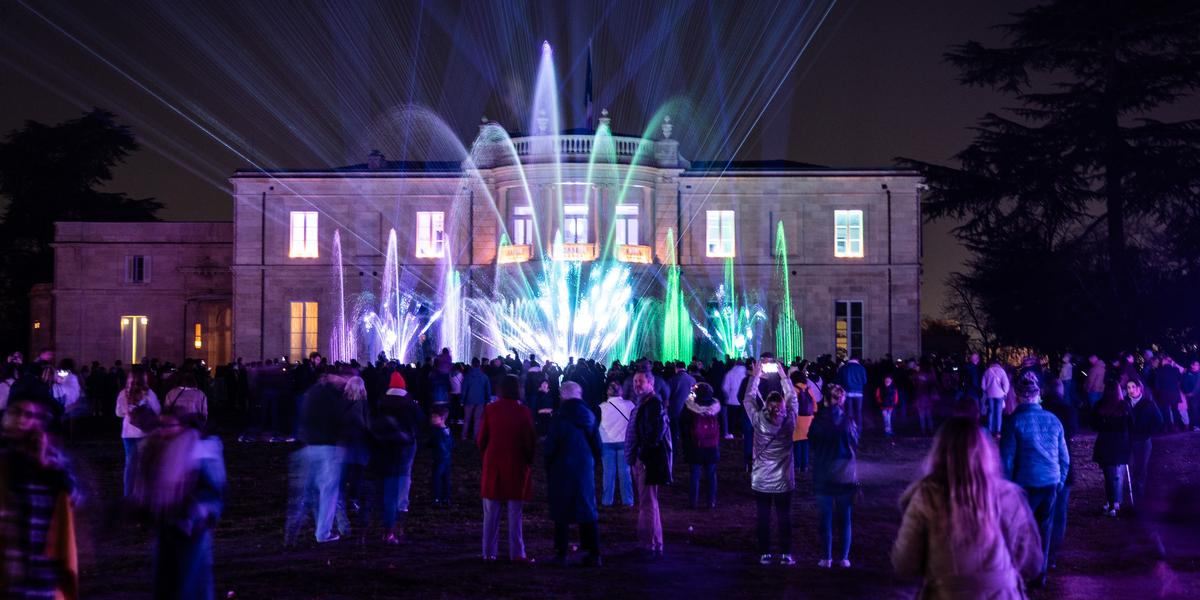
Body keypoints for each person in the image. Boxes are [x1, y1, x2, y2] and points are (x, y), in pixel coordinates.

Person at [891, 418, 1044, 599]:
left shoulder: (926, 496)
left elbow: (905, 563)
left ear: (939, 453)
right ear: (985, 453)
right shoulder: (1008, 496)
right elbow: (1032, 563)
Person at [133, 407, 225, 600]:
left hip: (191, 528)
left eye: (169, 425)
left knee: (191, 584)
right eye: (161, 425)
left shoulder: (200, 449)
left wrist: (196, 512)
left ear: (182, 426)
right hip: (166, 524)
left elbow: (213, 489)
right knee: (167, 581)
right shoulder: (156, 447)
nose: (163, 430)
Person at [0, 394, 79, 599]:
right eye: (17, 412)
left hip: (41, 567)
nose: (22, 419)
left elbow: (74, 498)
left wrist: (43, 461)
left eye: (29, 415)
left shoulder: (52, 459)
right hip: (7, 563)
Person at [999, 371, 1069, 587]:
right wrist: (1059, 481)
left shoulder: (1014, 422)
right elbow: (1063, 457)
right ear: (1038, 396)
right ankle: (1041, 573)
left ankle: (1022, 573)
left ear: (1019, 396)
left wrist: (1006, 488)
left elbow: (1007, 460)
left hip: (1025, 483)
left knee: (1021, 530)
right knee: (1044, 529)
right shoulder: (1053, 420)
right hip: (1050, 481)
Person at [744, 364, 800, 565]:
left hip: (761, 479)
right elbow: (793, 398)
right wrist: (784, 376)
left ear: (766, 405)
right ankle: (786, 553)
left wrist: (756, 376)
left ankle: (765, 553)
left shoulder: (758, 420)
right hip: (784, 478)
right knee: (784, 517)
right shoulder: (790, 420)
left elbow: (748, 399)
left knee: (763, 517)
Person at [478, 375, 536, 562]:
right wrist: (528, 459)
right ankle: (517, 553)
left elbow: (481, 438)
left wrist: (487, 456)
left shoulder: (490, 410)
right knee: (515, 514)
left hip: (493, 465)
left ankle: (488, 553)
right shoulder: (524, 412)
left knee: (490, 514)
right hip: (516, 465)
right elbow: (530, 441)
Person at [544, 381, 602, 566]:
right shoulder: (590, 416)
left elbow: (551, 446)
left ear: (563, 395)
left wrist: (548, 465)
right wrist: (592, 462)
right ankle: (594, 553)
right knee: (587, 508)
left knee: (561, 510)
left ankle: (561, 553)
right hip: (584, 468)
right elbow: (597, 445)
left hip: (562, 468)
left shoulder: (559, 417)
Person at [809, 384, 859, 568]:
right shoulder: (848, 420)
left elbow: (812, 443)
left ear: (826, 399)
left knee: (825, 519)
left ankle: (826, 557)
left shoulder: (818, 420)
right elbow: (855, 441)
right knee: (845, 519)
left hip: (823, 473)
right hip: (845, 474)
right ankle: (844, 557)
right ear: (842, 400)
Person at [370, 372, 423, 543]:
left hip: (385, 446)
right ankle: (398, 518)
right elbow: (420, 420)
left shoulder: (381, 401)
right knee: (404, 476)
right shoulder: (409, 402)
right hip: (405, 445)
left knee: (388, 487)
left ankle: (388, 527)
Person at [625, 370, 671, 557]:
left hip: (646, 460)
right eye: (635, 381)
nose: (637, 384)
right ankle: (654, 541)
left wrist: (642, 455)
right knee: (649, 502)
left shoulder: (652, 404)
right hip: (644, 458)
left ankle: (648, 543)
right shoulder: (645, 403)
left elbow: (654, 433)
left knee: (647, 503)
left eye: (641, 381)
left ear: (651, 383)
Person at [1042, 378, 1078, 571]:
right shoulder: (1067, 409)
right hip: (1063, 464)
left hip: (1041, 467)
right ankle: (1052, 555)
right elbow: (1072, 431)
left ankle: (1041, 554)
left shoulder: (1041, 410)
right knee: (1059, 514)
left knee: (1041, 512)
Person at [116, 367, 161, 497]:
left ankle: (128, 495)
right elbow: (157, 410)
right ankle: (143, 494)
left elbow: (118, 412)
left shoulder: (123, 393)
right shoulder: (149, 393)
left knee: (130, 465)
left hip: (128, 433)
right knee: (144, 464)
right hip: (144, 432)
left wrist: (128, 412)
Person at [1092, 382, 1132, 517]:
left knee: (1109, 475)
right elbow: (1129, 424)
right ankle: (1114, 502)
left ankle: (1112, 502)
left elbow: (1094, 424)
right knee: (1116, 474)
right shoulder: (1124, 406)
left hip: (1105, 443)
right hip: (1120, 443)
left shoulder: (1099, 405)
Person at [679, 382, 720, 509]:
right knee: (711, 475)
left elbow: (683, 426)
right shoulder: (716, 407)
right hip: (712, 445)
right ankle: (711, 501)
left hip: (695, 446)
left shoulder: (690, 407)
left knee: (694, 475)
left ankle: (693, 502)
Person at [1125, 378, 1163, 506]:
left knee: (1140, 470)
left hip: (1143, 441)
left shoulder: (1148, 403)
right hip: (1129, 440)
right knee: (1129, 468)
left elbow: (1159, 421)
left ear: (1139, 388)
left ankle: (1140, 500)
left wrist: (1147, 432)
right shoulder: (1125, 403)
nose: (1131, 390)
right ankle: (1129, 497)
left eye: (1133, 387)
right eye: (1128, 388)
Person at [598, 381, 635, 508]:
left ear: (608, 392)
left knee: (608, 473)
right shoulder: (630, 405)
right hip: (624, 441)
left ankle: (607, 501)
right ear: (621, 392)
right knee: (625, 472)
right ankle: (628, 500)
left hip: (606, 442)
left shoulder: (601, 407)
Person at [792, 370, 820, 472]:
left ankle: (797, 466)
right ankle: (805, 465)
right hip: (808, 419)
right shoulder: (808, 388)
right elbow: (814, 403)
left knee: (797, 443)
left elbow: (791, 404)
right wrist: (813, 414)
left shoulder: (794, 389)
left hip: (797, 418)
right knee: (805, 443)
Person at [461, 358, 492, 442]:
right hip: (480, 401)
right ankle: (475, 436)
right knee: (477, 419)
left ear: (472, 364)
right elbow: (488, 389)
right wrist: (488, 400)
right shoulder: (484, 376)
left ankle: (464, 436)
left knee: (466, 419)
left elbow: (464, 389)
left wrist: (462, 400)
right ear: (479, 365)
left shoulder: (467, 376)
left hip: (469, 400)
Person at [428, 405, 453, 507]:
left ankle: (437, 499)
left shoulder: (436, 431)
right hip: (446, 458)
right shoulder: (447, 430)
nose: (432, 419)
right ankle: (446, 498)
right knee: (445, 479)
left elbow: (432, 442)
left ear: (442, 418)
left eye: (435, 417)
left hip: (439, 458)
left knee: (437, 478)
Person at [981, 358, 1010, 437]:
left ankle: (990, 430)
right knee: (998, 413)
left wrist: (987, 390)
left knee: (990, 412)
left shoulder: (987, 371)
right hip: (1000, 395)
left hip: (990, 395)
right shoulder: (1002, 371)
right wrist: (1004, 392)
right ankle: (998, 431)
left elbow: (983, 385)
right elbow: (1006, 384)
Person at [835, 356, 867, 426]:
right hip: (859, 393)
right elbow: (864, 381)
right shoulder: (861, 368)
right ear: (857, 360)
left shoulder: (843, 368)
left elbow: (838, 381)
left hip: (847, 392)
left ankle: (850, 430)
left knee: (849, 412)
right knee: (858, 412)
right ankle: (858, 431)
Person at [721, 359, 747, 440]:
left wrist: (727, 395)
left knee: (731, 418)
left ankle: (730, 433)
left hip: (732, 400)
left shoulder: (730, 373)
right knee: (743, 418)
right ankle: (743, 433)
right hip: (743, 399)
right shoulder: (746, 373)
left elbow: (725, 387)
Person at [914, 361, 939, 436]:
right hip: (928, 399)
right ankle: (930, 430)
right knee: (929, 416)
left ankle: (923, 431)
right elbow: (934, 385)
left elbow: (915, 386)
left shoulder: (918, 376)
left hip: (920, 398)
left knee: (922, 416)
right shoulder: (930, 376)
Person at [1183, 360, 1200, 433]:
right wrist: (1186, 392)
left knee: (1196, 410)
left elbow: (1198, 386)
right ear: (1192, 365)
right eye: (1195, 365)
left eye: (1198, 365)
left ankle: (1196, 425)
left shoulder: (1199, 374)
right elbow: (1183, 383)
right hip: (1191, 396)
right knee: (1192, 410)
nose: (1197, 366)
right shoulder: (1187, 373)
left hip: (1196, 395)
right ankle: (1194, 425)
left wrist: (1192, 393)